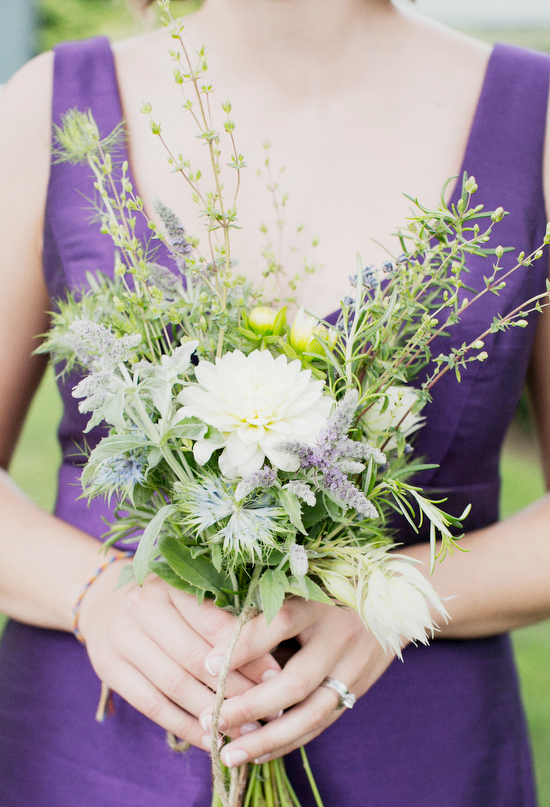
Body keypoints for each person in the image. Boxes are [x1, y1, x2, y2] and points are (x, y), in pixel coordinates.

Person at [0, 0, 550, 804]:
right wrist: (93, 597)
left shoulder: (532, 119)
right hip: (97, 753)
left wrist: (391, 597)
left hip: (416, 753)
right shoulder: (50, 103)